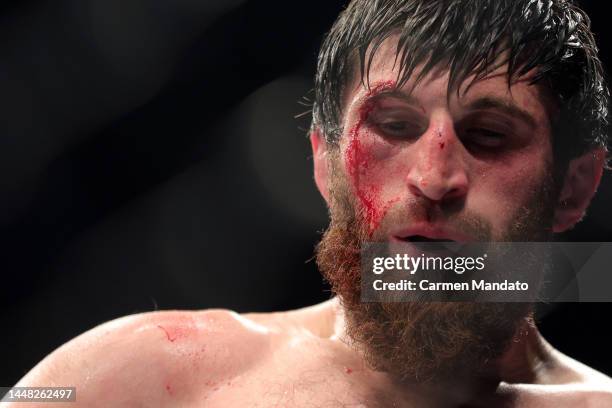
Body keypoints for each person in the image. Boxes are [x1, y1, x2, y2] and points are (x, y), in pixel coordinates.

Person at [5, 0, 612, 406]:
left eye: (488, 136)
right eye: (394, 126)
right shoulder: (149, 377)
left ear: (574, 186)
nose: (433, 177)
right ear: (323, 161)